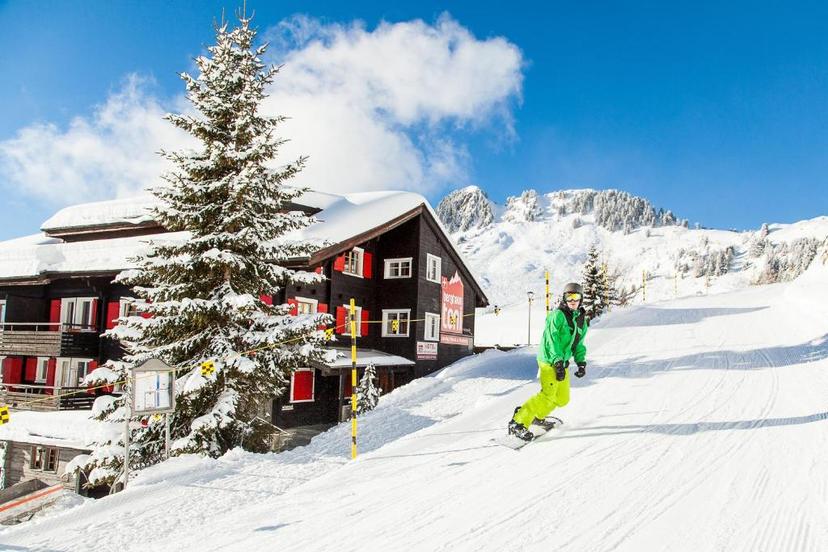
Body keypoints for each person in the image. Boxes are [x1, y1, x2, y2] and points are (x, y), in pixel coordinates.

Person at [508, 282, 589, 441]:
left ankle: (536, 416)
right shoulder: (557, 315)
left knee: (562, 398)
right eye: (569, 297)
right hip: (549, 360)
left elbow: (578, 343)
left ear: (581, 299)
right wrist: (557, 361)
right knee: (548, 394)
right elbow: (552, 341)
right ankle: (518, 421)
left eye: (575, 297)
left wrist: (581, 362)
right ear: (564, 298)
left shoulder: (581, 320)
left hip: (562, 362)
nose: (572, 301)